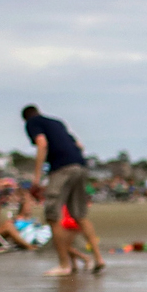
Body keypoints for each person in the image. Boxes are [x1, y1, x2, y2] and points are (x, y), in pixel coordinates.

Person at [23, 104, 102, 276]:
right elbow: (79, 145)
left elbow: (42, 144)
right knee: (80, 215)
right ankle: (98, 258)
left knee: (52, 216)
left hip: (62, 168)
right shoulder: (57, 123)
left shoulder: (32, 123)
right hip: (80, 165)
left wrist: (37, 178)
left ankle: (64, 264)